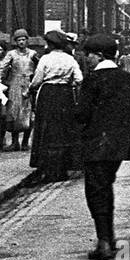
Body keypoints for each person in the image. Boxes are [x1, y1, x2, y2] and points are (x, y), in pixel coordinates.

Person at [75, 34, 130, 260]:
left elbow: (82, 114)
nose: (87, 59)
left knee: (96, 190)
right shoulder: (125, 78)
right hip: (118, 145)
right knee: (106, 186)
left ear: (99, 55)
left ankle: (104, 242)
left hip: (96, 144)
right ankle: (110, 238)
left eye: (89, 55)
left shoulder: (91, 80)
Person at [29, 30, 83, 182]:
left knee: (46, 131)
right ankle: (63, 169)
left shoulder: (45, 59)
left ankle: (48, 169)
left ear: (50, 44)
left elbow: (37, 79)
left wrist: (31, 88)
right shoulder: (70, 59)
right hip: (65, 95)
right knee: (64, 131)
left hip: (48, 94)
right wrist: (68, 82)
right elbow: (79, 79)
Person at [1, 29, 38, 150]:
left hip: (28, 83)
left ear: (27, 40)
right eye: (19, 40)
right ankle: (15, 141)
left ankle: (26, 142)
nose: (21, 42)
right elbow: (2, 68)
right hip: (15, 84)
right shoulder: (11, 54)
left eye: (23, 39)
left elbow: (39, 68)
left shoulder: (33, 54)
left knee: (28, 112)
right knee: (14, 113)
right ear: (15, 42)